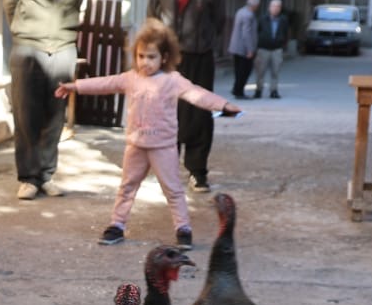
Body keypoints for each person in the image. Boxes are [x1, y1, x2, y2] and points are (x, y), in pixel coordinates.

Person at [57, 19, 240, 248]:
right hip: (136, 145)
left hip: (163, 146)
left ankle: (183, 229)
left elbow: (197, 94)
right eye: (141, 56)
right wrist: (76, 86)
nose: (145, 62)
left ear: (164, 57)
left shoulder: (172, 80)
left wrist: (223, 105)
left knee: (172, 189)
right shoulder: (131, 78)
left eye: (151, 57)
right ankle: (117, 225)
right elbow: (106, 83)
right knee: (127, 186)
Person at [3, 0, 88, 200]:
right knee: (26, 116)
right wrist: (24, 34)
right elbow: (10, 2)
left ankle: (46, 175)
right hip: (29, 49)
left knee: (55, 117)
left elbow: (75, 6)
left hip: (63, 50)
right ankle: (28, 178)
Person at [146, 0, 226, 191]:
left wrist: (203, 41)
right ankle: (166, 168)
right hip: (169, 60)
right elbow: (152, 18)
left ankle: (197, 171)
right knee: (167, 113)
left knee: (200, 114)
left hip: (199, 57)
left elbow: (218, 21)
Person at [251, 0, 290, 98]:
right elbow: (256, 32)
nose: (276, 8)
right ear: (269, 7)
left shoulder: (283, 20)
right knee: (260, 71)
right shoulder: (262, 19)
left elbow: (286, 33)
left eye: (278, 7)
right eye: (274, 6)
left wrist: (283, 44)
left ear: (280, 8)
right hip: (263, 49)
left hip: (277, 49)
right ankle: (258, 90)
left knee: (275, 71)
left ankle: (274, 91)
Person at [226, 0, 260, 98]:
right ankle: (239, 91)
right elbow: (247, 33)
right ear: (255, 5)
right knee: (244, 71)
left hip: (236, 47)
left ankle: (236, 89)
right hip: (243, 49)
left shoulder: (240, 11)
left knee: (238, 70)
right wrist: (250, 50)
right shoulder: (248, 15)